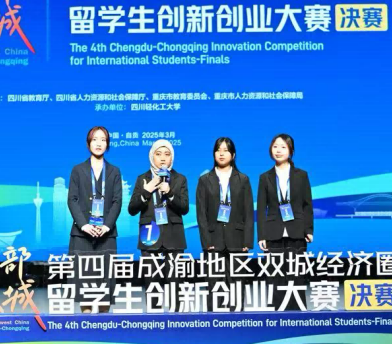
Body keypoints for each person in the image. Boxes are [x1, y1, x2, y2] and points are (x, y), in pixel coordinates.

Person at [128, 139, 189, 309]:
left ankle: (176, 318)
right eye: (158, 154)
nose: (163, 158)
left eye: (167, 154)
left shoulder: (180, 179)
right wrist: (147, 190)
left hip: (173, 235)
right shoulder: (142, 179)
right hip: (149, 234)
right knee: (152, 283)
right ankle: (154, 319)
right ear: (151, 156)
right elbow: (132, 209)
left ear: (172, 158)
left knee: (176, 282)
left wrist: (169, 192)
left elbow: (184, 208)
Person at [195, 137, 254, 311]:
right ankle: (214, 322)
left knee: (237, 286)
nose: (221, 154)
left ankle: (237, 322)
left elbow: (248, 212)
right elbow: (201, 214)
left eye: (226, 150)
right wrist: (206, 242)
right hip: (213, 241)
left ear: (233, 155)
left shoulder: (243, 179)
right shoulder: (205, 180)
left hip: (237, 241)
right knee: (214, 287)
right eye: (218, 150)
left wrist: (247, 241)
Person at [67, 126, 122, 313]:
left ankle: (104, 324)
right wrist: (84, 225)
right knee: (85, 283)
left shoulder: (114, 171)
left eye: (103, 140)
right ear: (88, 143)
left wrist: (107, 226)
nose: (99, 143)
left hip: (106, 235)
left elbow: (117, 201)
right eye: (95, 139)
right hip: (82, 235)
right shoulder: (77, 170)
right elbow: (72, 199)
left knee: (105, 283)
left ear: (108, 144)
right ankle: (87, 322)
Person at [256, 133, 313, 310]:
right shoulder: (265, 177)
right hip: (273, 232)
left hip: (297, 230)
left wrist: (309, 229)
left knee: (297, 274)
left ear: (290, 150)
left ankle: (297, 313)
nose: (278, 150)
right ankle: (277, 313)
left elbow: (307, 204)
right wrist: (261, 235)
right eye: (275, 147)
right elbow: (261, 208)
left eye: (283, 147)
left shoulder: (301, 175)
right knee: (275, 275)